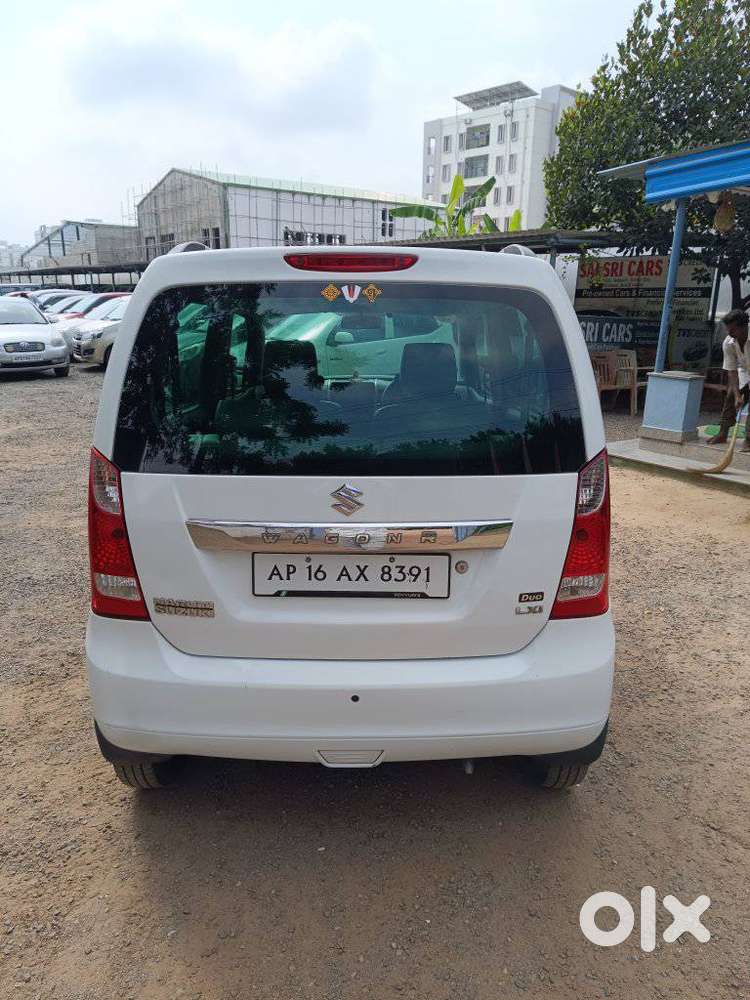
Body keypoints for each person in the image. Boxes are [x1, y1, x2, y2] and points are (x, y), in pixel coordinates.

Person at [708, 308, 750, 451]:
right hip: (744, 371)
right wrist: (738, 395)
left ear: (744, 327)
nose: (729, 333)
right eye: (728, 330)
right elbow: (732, 371)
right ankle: (722, 433)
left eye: (732, 330)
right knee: (731, 396)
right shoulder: (729, 342)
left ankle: (749, 440)